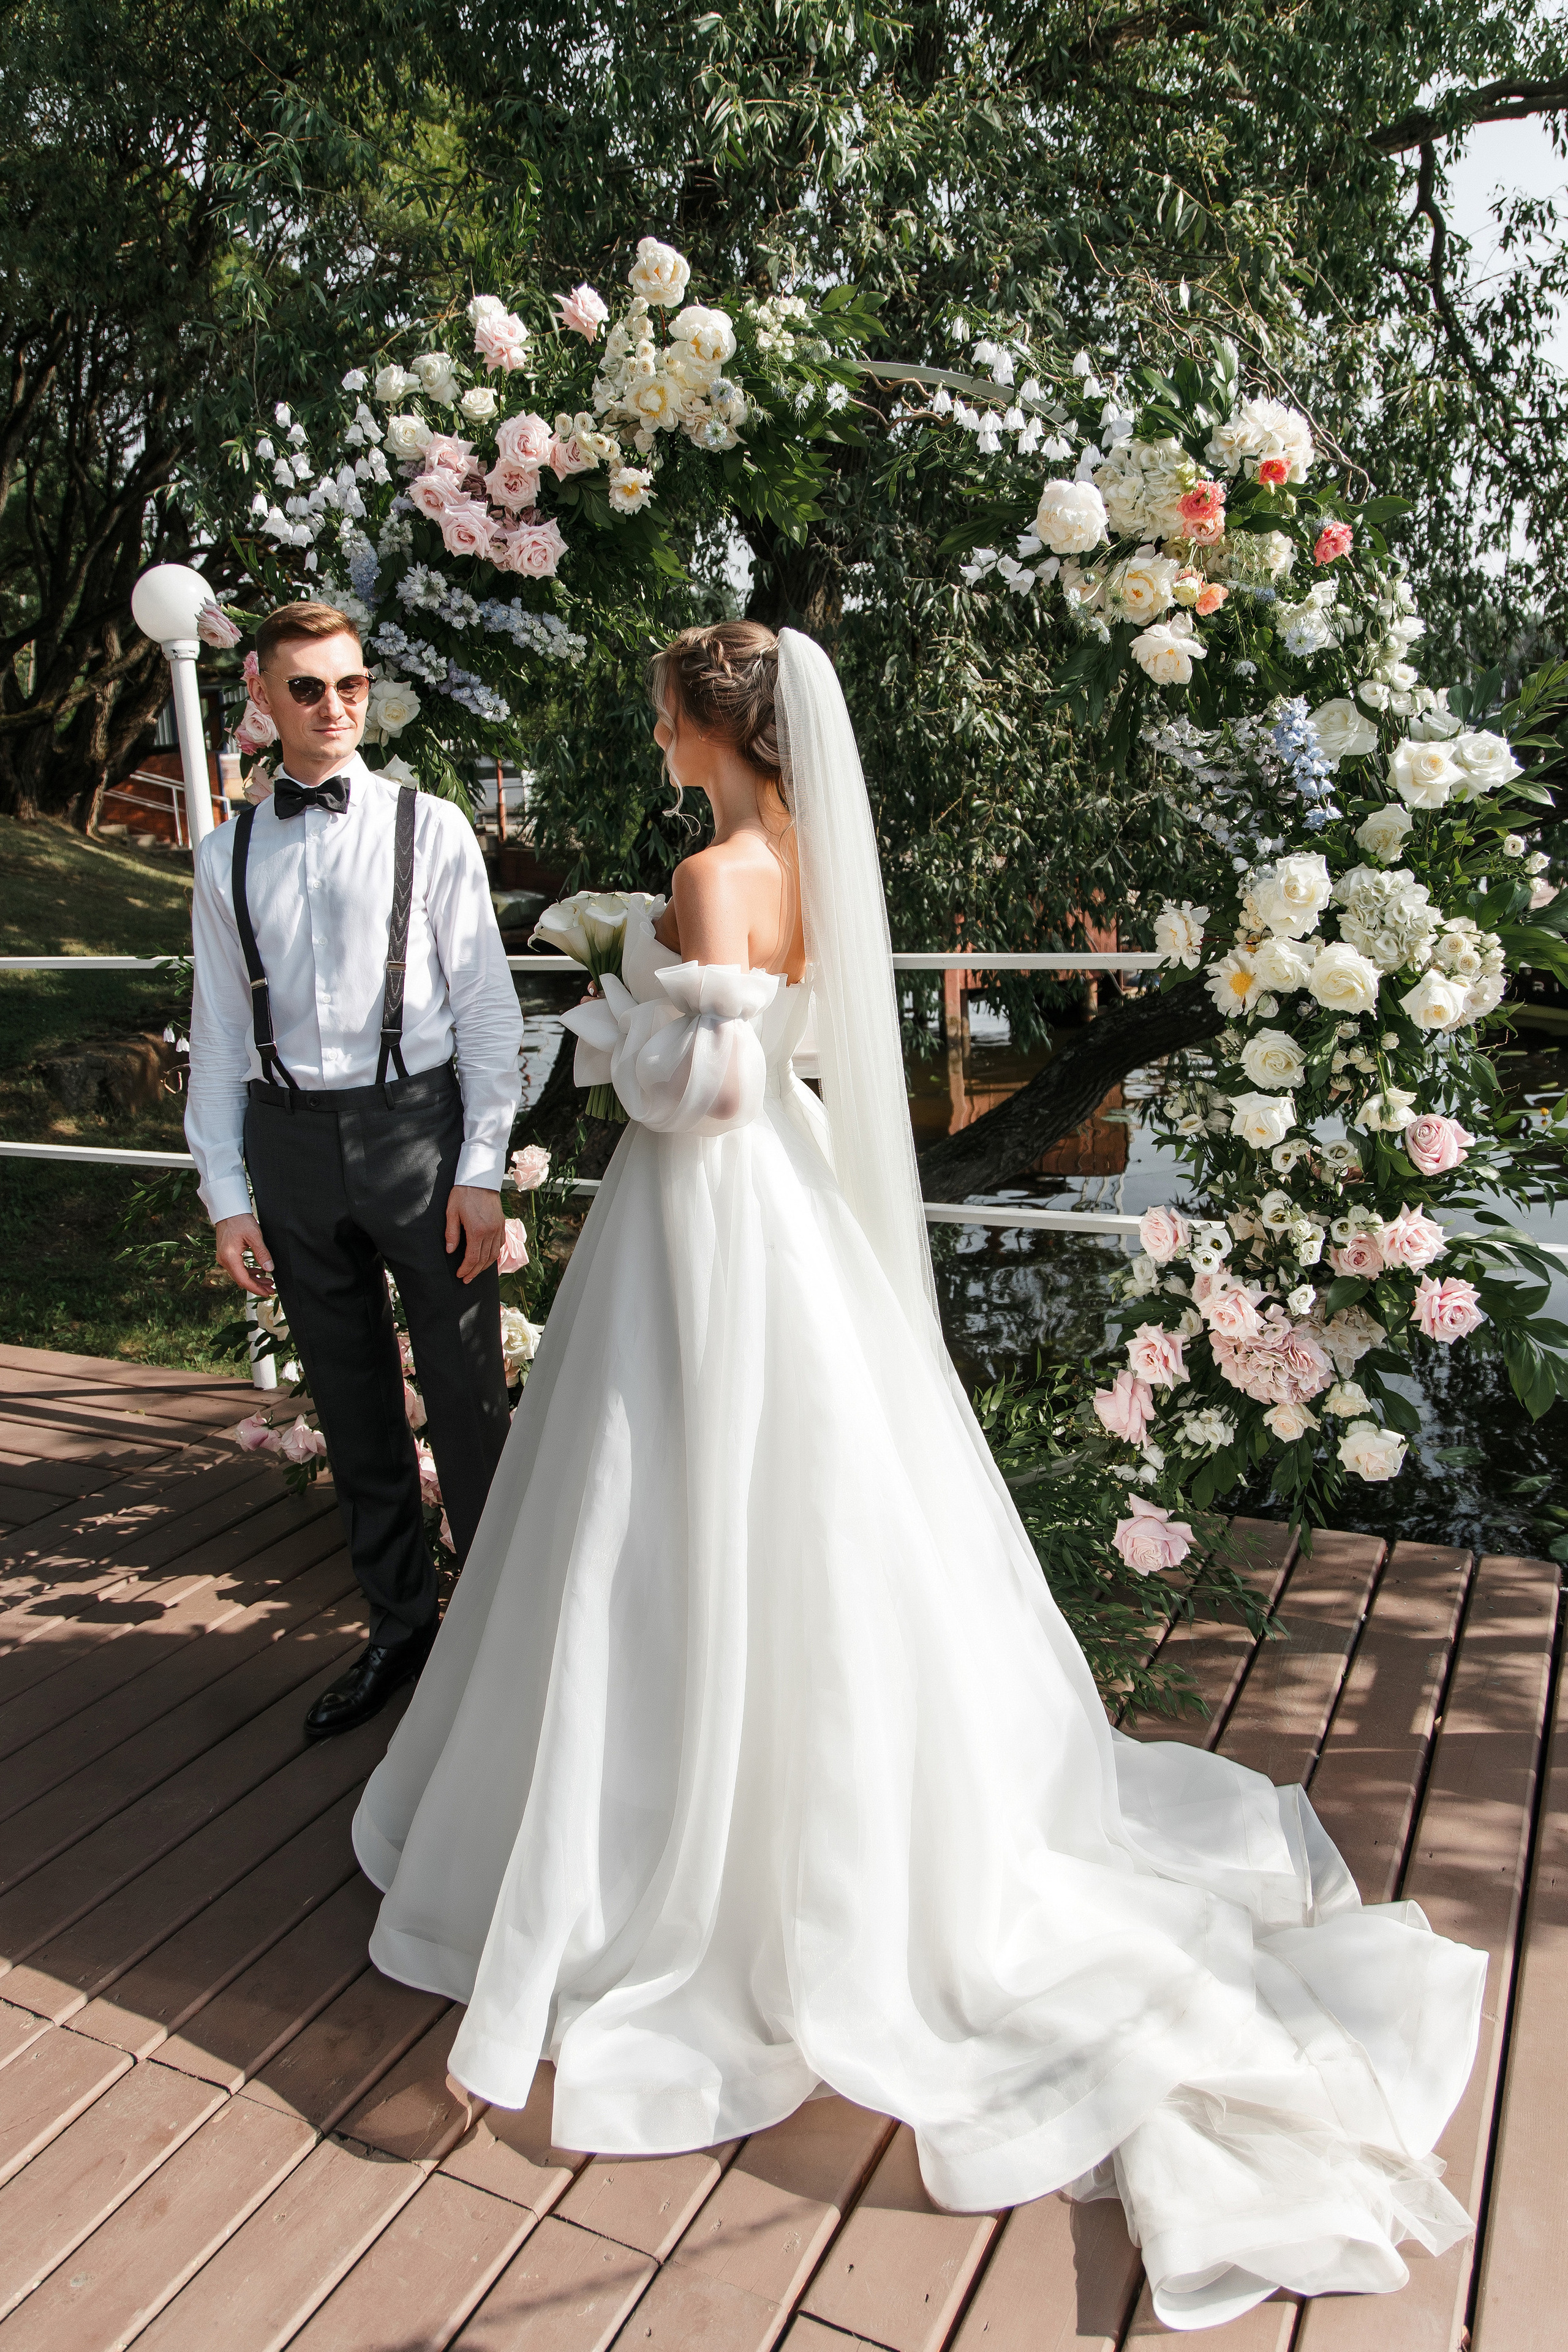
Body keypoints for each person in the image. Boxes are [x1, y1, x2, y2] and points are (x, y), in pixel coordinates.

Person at [351, 622, 1484, 2332]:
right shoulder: (803, 853)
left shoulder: (718, 864)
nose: (651, 725)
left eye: (662, 705)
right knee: (788, 1512)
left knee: (670, 1512)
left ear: (703, 725)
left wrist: (612, 1035)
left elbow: (717, 1088)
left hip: (714, 1217)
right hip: (776, 1218)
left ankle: (659, 1849)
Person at [186, 600, 522, 1740]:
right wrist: (227, 1193)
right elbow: (221, 1032)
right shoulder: (225, 853)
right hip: (288, 1143)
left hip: (417, 1135)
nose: (335, 709)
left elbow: (485, 1008)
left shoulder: (430, 828)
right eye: (308, 689)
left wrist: (480, 1167)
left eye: (351, 685)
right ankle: (400, 1630)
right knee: (351, 1400)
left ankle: (507, 1637)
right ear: (260, 698)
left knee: (470, 1399)